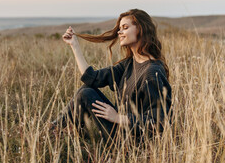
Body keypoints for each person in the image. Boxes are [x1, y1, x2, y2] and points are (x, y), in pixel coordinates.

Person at [51, 9, 172, 143]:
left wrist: (118, 118)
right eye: (119, 28)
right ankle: (63, 134)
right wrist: (74, 45)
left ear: (141, 30)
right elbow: (92, 78)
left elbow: (160, 121)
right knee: (87, 89)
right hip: (119, 129)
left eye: (125, 28)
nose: (119, 32)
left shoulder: (152, 72)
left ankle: (54, 133)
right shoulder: (129, 64)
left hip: (132, 141)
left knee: (86, 93)